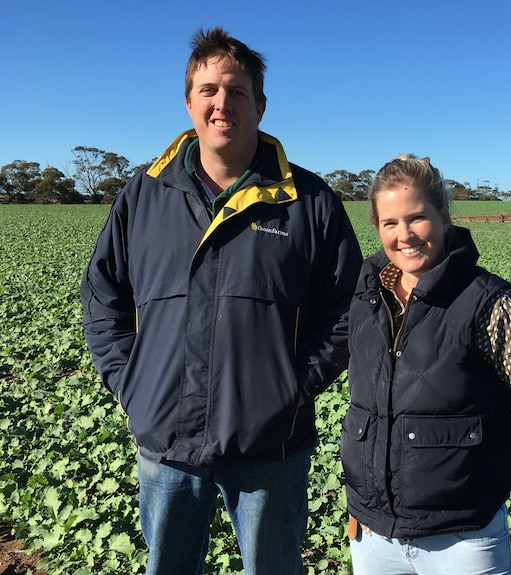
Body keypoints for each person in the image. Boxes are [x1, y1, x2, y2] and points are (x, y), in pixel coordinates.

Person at [80, 27, 362, 575]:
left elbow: (347, 307)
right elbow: (102, 294)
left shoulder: (309, 201)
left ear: (260, 105)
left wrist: (294, 388)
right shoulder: (143, 195)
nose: (221, 104)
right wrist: (130, 381)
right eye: (208, 90)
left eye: (236, 91)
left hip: (270, 445)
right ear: (189, 102)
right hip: (165, 439)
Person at [340, 154, 511, 574]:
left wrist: (478, 460)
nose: (404, 235)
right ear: (377, 228)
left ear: (443, 218)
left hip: (463, 540)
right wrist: (364, 501)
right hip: (374, 536)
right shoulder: (368, 298)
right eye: (389, 223)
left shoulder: (490, 302)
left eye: (416, 218)